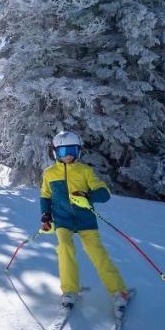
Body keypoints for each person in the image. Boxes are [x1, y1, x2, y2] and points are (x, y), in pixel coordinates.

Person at [40, 130, 130, 315]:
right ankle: (69, 291)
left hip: (85, 220)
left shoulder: (85, 171)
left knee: (97, 253)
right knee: (65, 249)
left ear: (78, 151)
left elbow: (104, 193)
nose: (68, 155)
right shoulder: (49, 174)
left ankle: (118, 291)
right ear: (56, 152)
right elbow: (45, 196)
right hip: (63, 220)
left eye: (72, 150)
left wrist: (87, 195)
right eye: (64, 152)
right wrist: (46, 215)